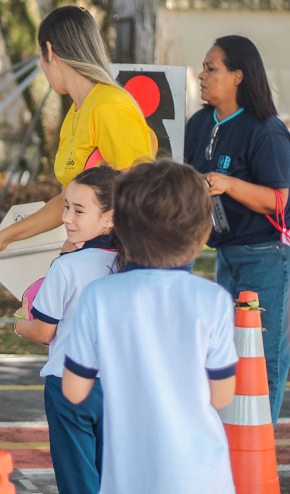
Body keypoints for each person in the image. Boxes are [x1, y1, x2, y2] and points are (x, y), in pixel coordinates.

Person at [63, 161, 237, 494]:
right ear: (202, 234)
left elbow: (74, 391)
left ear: (119, 227)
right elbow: (222, 395)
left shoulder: (98, 297)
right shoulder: (212, 299)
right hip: (204, 475)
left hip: (129, 476)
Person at [0, 5, 154, 267]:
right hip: (92, 257)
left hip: (120, 261)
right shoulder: (76, 112)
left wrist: (82, 246)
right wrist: (3, 238)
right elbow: (64, 202)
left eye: (40, 58)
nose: (42, 69)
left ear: (50, 51)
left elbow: (136, 193)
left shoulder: (108, 105)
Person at [184, 35, 290, 427]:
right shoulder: (198, 124)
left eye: (212, 68)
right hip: (225, 255)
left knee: (265, 355)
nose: (202, 75)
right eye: (204, 68)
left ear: (238, 76)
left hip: (265, 257)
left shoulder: (266, 131)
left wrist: (230, 184)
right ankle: (229, 441)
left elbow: (280, 201)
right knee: (225, 352)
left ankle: (257, 445)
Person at [14, 166, 118, 494]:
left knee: (77, 481)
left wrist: (19, 324)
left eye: (78, 210)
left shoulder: (66, 267)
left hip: (69, 382)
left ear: (108, 218)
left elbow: (44, 331)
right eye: (66, 207)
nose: (66, 218)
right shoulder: (138, 262)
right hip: (120, 384)